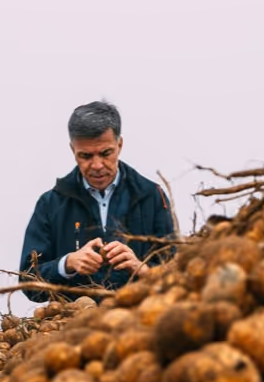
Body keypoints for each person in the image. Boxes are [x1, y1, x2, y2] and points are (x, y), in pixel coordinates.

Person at [19, 100, 175, 300]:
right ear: (72, 150)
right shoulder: (51, 204)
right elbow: (28, 282)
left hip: (141, 321)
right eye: (85, 156)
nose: (97, 165)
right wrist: (67, 264)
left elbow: (176, 274)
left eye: (105, 153)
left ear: (119, 145)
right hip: (74, 325)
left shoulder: (151, 195)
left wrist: (141, 268)